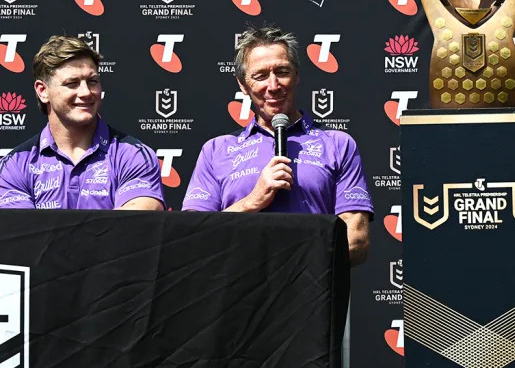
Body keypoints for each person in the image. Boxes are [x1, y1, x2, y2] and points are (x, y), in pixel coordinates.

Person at [182, 26, 372, 266]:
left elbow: (356, 242)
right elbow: (192, 239)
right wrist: (252, 202)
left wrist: (289, 265)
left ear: (297, 75)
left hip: (312, 293)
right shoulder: (215, 150)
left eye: (282, 72)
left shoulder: (338, 145)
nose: (273, 85)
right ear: (242, 84)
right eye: (260, 76)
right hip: (238, 294)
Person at [0, 36, 165, 210]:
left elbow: (138, 225)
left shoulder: (133, 156)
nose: (86, 92)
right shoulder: (14, 165)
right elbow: (23, 233)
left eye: (92, 81)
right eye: (72, 83)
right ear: (43, 91)